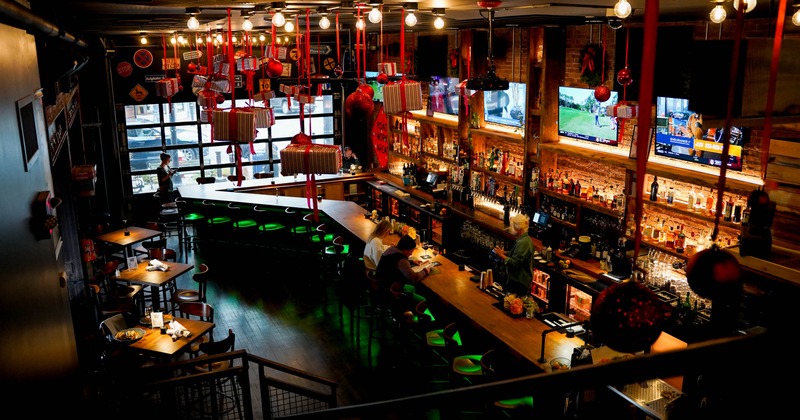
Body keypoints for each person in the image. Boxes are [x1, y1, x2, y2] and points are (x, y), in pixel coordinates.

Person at [375, 234, 430, 304]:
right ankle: (408, 310)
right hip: (390, 291)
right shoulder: (402, 260)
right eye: (411, 251)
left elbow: (395, 262)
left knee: (412, 288)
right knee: (423, 301)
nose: (411, 254)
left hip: (381, 285)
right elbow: (414, 278)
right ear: (406, 250)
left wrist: (411, 261)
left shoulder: (392, 250)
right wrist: (425, 271)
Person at [493, 214, 534, 296]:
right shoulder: (523, 239)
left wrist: (501, 255)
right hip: (517, 280)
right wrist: (505, 252)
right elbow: (516, 254)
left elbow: (515, 263)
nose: (511, 229)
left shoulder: (524, 242)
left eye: (513, 226)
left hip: (519, 282)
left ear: (518, 229)